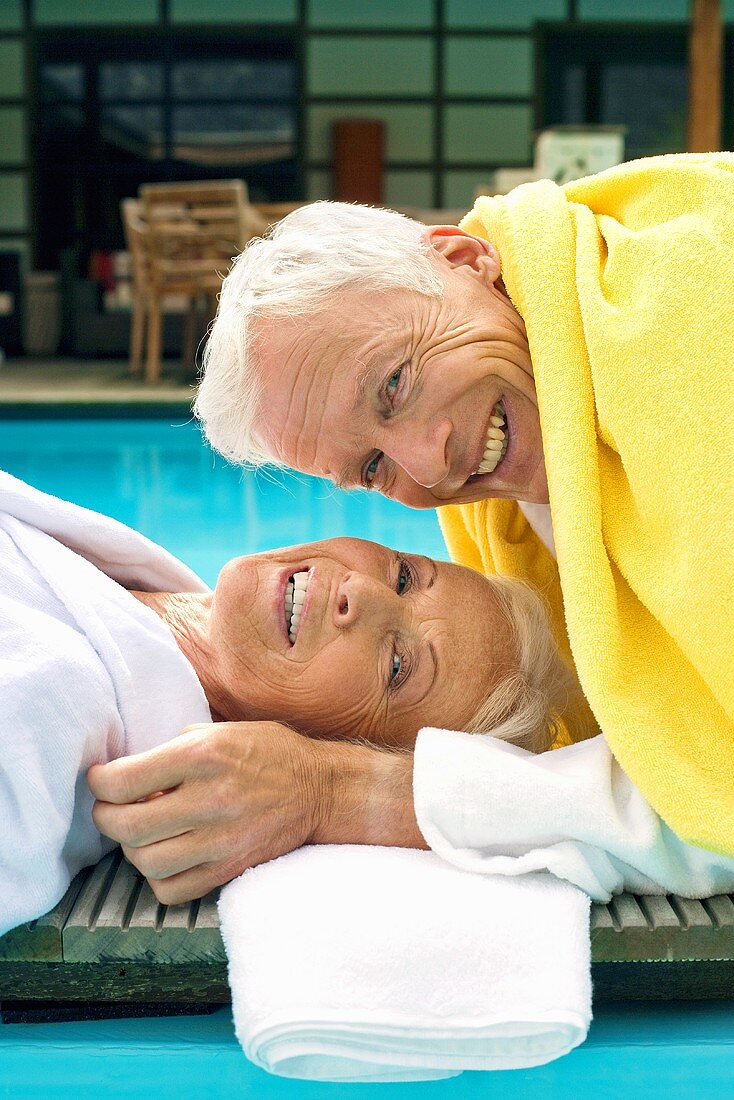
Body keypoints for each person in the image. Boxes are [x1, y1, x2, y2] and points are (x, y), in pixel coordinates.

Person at [173, 153, 731, 896]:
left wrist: (341, 793)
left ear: (464, 259)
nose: (431, 466)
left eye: (394, 385)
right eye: (372, 467)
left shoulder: (689, 308)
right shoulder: (519, 495)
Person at [0, 468, 570, 936]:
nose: (361, 592)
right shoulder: (123, 589)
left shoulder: (43, 725)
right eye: (404, 576)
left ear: (336, 749)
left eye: (398, 667)